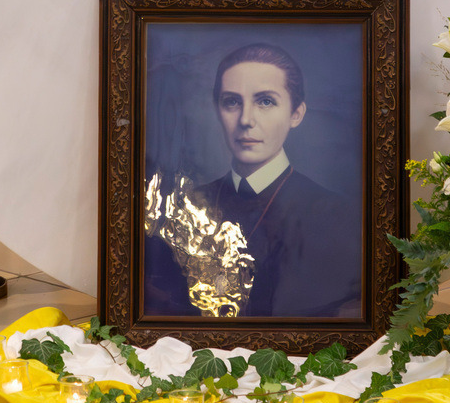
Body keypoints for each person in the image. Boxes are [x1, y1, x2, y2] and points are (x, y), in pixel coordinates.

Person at [145, 43, 362, 318]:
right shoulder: (185, 208)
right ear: (218, 110)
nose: (246, 120)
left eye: (265, 101)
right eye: (232, 102)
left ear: (296, 113)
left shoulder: (338, 216)